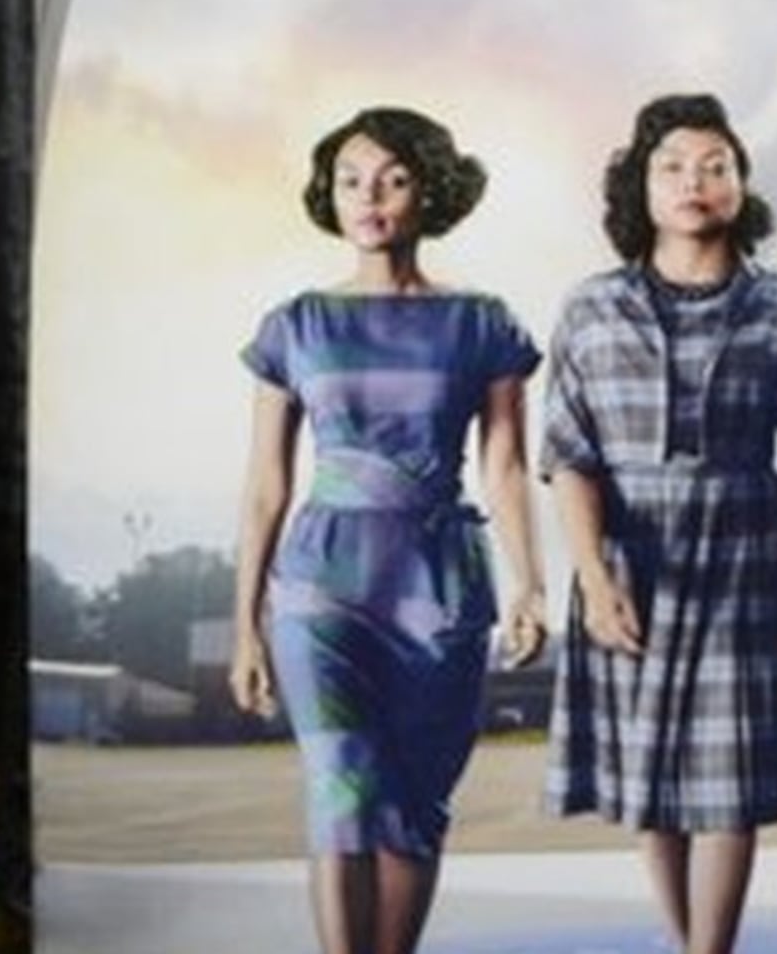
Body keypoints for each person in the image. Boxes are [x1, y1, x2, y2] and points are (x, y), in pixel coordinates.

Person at [540, 91, 777, 954]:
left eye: (715, 165)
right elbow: (569, 455)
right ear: (640, 189)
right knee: (648, 771)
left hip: (747, 556)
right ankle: (681, 937)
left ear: (740, 186)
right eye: (673, 166)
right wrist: (591, 573)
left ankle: (708, 950)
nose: (695, 181)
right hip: (628, 556)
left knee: (728, 775)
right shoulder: (588, 308)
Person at [230, 103, 545, 954]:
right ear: (328, 195)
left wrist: (531, 584)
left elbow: (507, 468)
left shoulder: (483, 324)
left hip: (440, 586)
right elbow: (266, 484)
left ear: (429, 193)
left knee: (413, 807)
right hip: (320, 586)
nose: (368, 197)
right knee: (339, 787)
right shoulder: (294, 325)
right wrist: (245, 626)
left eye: (393, 179)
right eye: (350, 180)